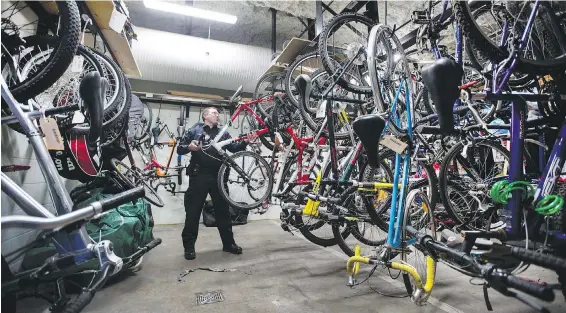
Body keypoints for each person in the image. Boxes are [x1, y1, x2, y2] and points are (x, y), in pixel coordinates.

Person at [177, 107, 257, 260]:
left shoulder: (223, 133)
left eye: (218, 113)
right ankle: (189, 248)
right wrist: (189, 147)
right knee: (193, 213)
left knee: (223, 212)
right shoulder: (194, 130)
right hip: (199, 175)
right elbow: (180, 149)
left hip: (219, 177)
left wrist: (246, 142)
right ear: (205, 115)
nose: (217, 115)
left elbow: (233, 148)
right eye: (214, 113)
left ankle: (229, 244)